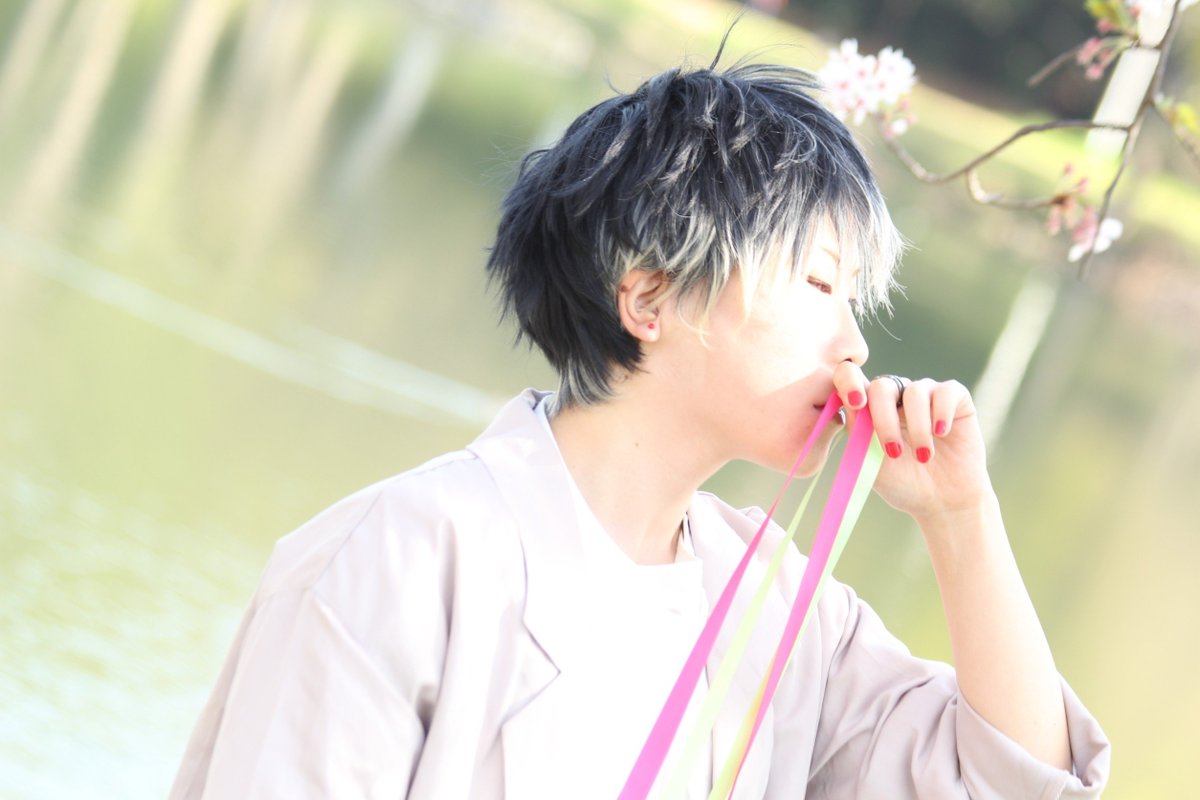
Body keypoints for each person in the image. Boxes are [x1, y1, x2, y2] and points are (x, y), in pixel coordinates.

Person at [170, 49, 1110, 799]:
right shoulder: (399, 558)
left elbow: (1014, 781)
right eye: (820, 283)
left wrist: (961, 520)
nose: (854, 343)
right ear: (651, 298)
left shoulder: (779, 609)